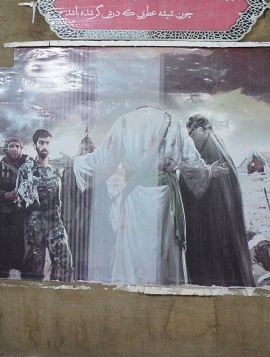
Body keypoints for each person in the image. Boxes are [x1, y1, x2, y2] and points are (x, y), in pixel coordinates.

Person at [69, 106, 225, 286]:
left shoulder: (124, 122)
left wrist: (75, 163)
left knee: (134, 259)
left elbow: (104, 160)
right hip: (165, 200)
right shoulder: (173, 122)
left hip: (135, 199)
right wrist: (208, 171)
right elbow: (192, 161)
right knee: (163, 258)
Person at [180, 115, 255, 287]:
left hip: (213, 220)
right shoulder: (209, 150)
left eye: (193, 131)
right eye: (189, 132)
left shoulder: (212, 152)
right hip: (210, 219)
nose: (191, 136)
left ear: (204, 130)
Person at [15, 129, 73, 281]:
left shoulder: (56, 169)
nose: (44, 146)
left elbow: (62, 196)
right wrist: (28, 191)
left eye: (47, 143)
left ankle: (59, 293)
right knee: (34, 266)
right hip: (35, 221)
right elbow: (19, 201)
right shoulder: (26, 169)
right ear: (35, 145)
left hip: (54, 219)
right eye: (41, 143)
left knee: (65, 261)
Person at [60, 133, 113, 281]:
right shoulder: (70, 171)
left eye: (90, 150)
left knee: (93, 257)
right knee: (77, 258)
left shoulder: (97, 171)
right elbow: (66, 199)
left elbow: (103, 198)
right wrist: (68, 222)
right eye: (84, 149)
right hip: (77, 221)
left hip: (95, 220)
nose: (86, 152)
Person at [0, 137, 30, 278]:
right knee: (4, 253)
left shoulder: (29, 164)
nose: (14, 149)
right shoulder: (0, 168)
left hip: (24, 215)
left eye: (17, 146)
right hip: (6, 217)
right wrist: (5, 195)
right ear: (6, 149)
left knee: (26, 253)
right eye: (11, 146)